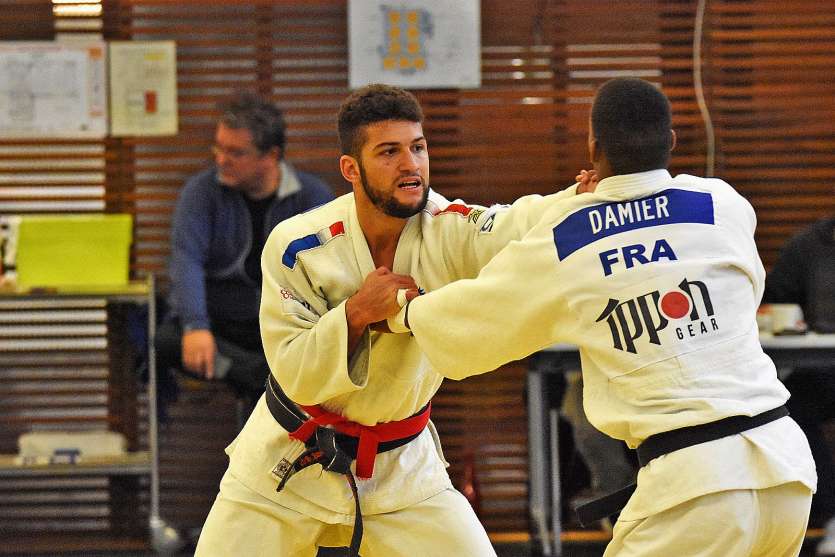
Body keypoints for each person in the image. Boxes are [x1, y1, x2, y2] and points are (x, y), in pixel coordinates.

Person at [388, 77, 817, 556]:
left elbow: (473, 319)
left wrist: (401, 310)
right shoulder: (723, 203)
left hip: (696, 487)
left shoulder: (568, 236)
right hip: (787, 470)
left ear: (593, 146)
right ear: (671, 141)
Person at [193, 84, 582, 557]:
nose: (411, 165)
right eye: (389, 152)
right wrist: (356, 314)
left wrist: (580, 197)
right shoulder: (298, 244)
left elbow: (515, 222)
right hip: (286, 460)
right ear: (351, 169)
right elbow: (294, 371)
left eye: (417, 148)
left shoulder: (448, 227)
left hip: (401, 468)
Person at [156, 91, 334, 416]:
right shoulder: (200, 193)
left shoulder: (311, 196)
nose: (221, 159)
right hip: (222, 327)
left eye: (235, 152)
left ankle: (263, 382)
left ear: (271, 156)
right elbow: (186, 260)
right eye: (218, 148)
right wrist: (196, 326)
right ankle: (266, 382)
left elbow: (333, 270)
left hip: (283, 326)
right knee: (168, 340)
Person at [764, 218, 835, 556]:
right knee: (788, 413)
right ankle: (831, 514)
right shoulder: (809, 243)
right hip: (821, 363)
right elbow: (778, 297)